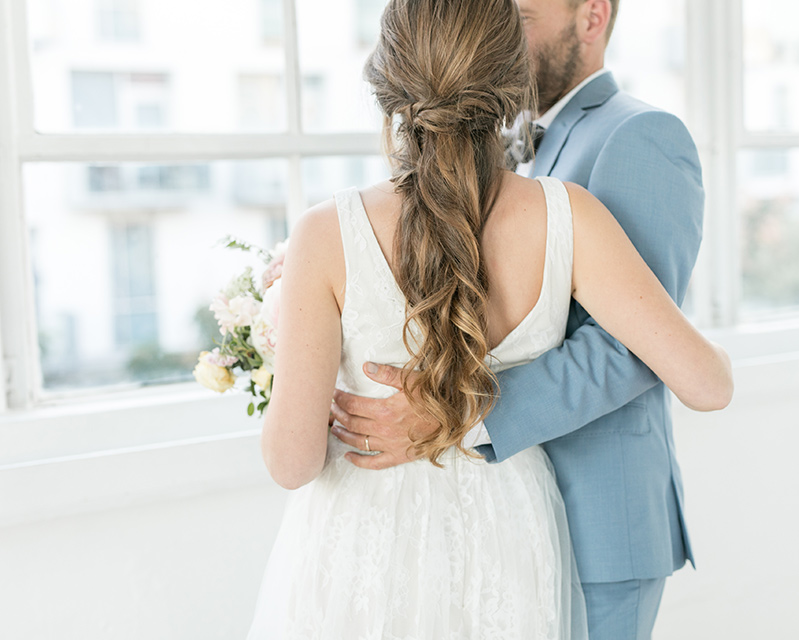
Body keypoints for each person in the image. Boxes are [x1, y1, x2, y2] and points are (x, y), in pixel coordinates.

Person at [249, 0, 729, 637]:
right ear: (509, 74)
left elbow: (290, 463)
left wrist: (302, 333)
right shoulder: (567, 213)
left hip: (375, 541)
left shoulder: (324, 232)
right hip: (514, 526)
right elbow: (709, 383)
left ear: (383, 78)